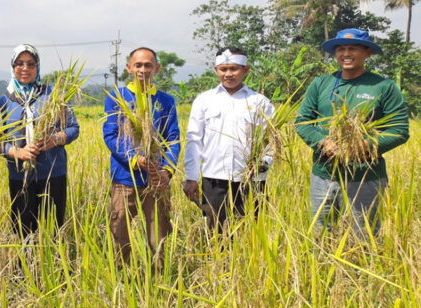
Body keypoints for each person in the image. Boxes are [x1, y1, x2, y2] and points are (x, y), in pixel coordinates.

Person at [296, 28, 409, 236]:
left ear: (367, 53)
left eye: (352, 48)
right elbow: (302, 122)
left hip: (366, 175)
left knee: (364, 235)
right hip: (324, 174)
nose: (345, 53)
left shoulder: (383, 86)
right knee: (321, 232)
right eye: (341, 49)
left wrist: (366, 145)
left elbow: (400, 130)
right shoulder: (321, 84)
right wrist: (323, 143)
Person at [103, 47, 180, 267]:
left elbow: (173, 138)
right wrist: (135, 160)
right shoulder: (117, 98)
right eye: (138, 65)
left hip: (156, 181)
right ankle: (123, 282)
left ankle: (156, 285)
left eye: (148, 65)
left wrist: (166, 171)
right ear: (129, 68)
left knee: (158, 238)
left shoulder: (165, 101)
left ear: (157, 68)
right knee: (120, 235)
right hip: (125, 178)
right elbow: (110, 135)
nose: (143, 70)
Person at [183, 47, 274, 232]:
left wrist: (263, 164)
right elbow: (194, 140)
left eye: (234, 69)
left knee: (251, 234)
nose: (228, 74)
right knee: (215, 233)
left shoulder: (260, 102)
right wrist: (191, 177)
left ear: (246, 70)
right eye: (223, 69)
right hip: (214, 180)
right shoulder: (204, 100)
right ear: (216, 70)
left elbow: (271, 140)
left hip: (251, 180)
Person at [0, 44, 80, 237]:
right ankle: (24, 268)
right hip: (20, 177)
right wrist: (18, 153)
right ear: (13, 66)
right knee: (22, 232)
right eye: (19, 63)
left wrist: (57, 138)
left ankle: (53, 267)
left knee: (53, 231)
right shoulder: (5, 100)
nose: (25, 68)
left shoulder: (53, 95)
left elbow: (73, 128)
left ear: (38, 67)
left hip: (53, 173)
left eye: (30, 64)